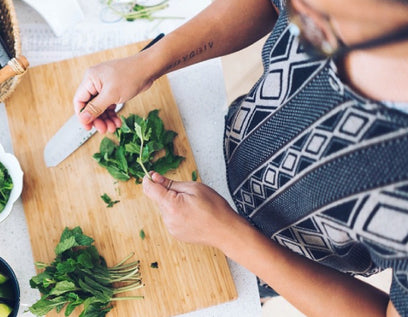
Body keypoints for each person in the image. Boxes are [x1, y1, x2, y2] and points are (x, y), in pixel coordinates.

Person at [72, 0, 408, 316]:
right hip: (222, 153)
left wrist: (229, 236)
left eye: (317, 17)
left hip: (288, 261)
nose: (296, 13)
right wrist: (149, 62)